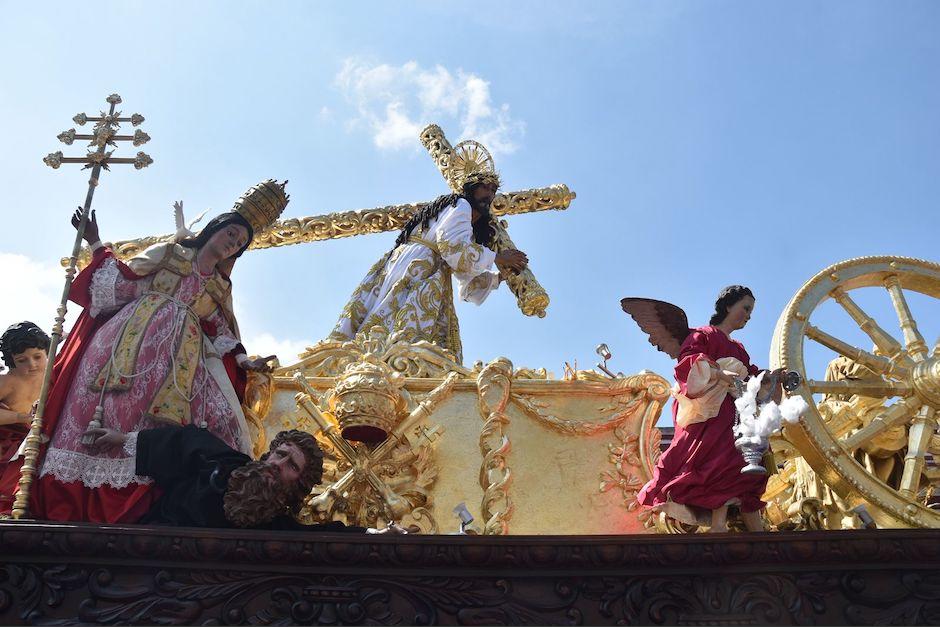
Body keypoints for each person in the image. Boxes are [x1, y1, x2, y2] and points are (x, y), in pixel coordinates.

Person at [33, 180, 288, 524]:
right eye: (231, 234)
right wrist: (95, 241)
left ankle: (141, 503)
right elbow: (123, 282)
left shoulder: (218, 286)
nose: (233, 244)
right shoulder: (169, 254)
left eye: (240, 244)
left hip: (178, 366)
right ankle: (73, 501)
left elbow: (219, 330)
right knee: (108, 411)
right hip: (126, 344)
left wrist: (246, 360)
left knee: (197, 422)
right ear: (215, 229)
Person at [328, 171, 528, 362]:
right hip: (421, 267)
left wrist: (497, 276)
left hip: (413, 264)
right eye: (485, 187)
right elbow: (452, 247)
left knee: (388, 317)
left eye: (493, 190)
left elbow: (463, 271)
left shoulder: (458, 216)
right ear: (471, 188)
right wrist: (497, 257)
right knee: (405, 333)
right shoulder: (461, 205)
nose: (490, 194)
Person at [636, 286, 781, 532]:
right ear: (728, 306)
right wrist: (718, 373)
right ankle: (719, 524)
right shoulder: (703, 334)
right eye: (745, 308)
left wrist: (771, 377)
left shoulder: (739, 348)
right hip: (708, 410)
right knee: (721, 459)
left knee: (745, 459)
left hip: (735, 409)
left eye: (751, 311)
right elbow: (688, 363)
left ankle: (749, 524)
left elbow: (752, 376)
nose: (748, 315)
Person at [82, 424, 398, 532]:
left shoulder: (275, 525)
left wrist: (373, 533)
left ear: (298, 484)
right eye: (280, 453)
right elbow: (184, 442)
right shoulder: (226, 463)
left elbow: (327, 537)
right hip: (155, 542)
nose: (279, 463)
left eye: (291, 465)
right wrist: (124, 438)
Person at [0, 322, 50, 515]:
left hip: (39, 436)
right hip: (10, 438)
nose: (32, 365)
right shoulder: (7, 381)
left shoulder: (54, 375)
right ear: (12, 361)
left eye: (38, 356)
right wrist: (21, 417)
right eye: (22, 360)